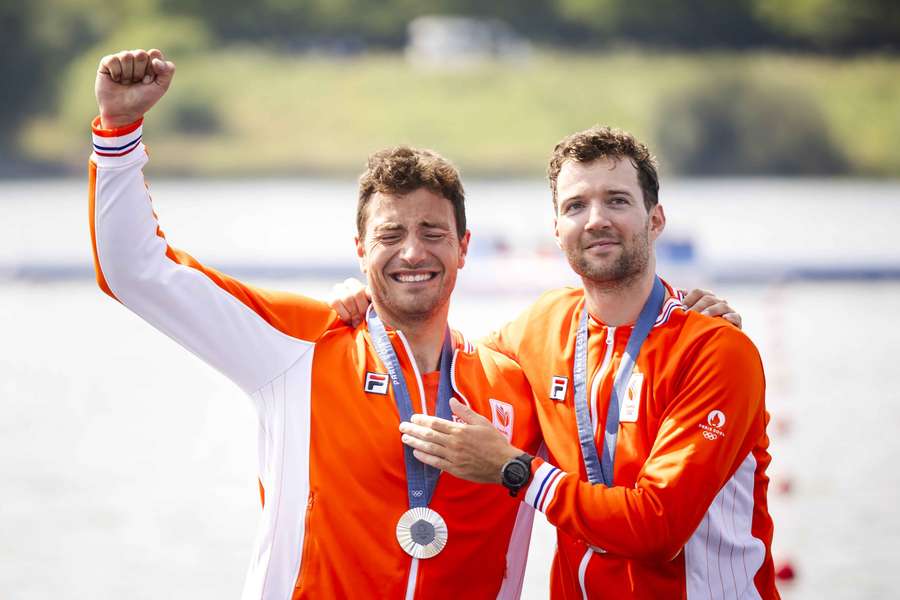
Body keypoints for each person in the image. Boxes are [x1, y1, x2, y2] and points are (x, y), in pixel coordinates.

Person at [89, 48, 546, 600]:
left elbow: (620, 466)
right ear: (359, 250)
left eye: (432, 232)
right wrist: (119, 130)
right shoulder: (298, 345)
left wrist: (677, 314)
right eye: (389, 235)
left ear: (464, 246)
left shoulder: (516, 382)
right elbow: (135, 271)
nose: (412, 252)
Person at [394, 127, 779, 598]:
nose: (595, 220)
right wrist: (365, 302)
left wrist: (515, 469)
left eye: (616, 200)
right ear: (557, 230)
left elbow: (656, 529)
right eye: (576, 206)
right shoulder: (543, 324)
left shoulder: (715, 350)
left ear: (655, 219)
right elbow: (440, 357)